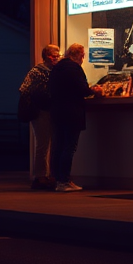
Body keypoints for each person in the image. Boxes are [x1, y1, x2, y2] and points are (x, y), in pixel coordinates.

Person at [48, 43, 101, 192]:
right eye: (82, 56)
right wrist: (94, 91)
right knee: (69, 147)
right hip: (72, 113)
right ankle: (64, 180)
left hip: (57, 112)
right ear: (77, 55)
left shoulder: (57, 68)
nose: (83, 59)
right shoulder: (74, 68)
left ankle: (57, 179)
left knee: (58, 146)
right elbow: (83, 89)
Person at [19, 43, 60, 190]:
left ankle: (46, 175)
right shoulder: (38, 71)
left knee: (49, 144)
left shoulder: (53, 71)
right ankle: (41, 176)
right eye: (55, 56)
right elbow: (26, 90)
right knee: (43, 144)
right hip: (40, 111)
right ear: (48, 57)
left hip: (48, 110)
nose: (58, 58)